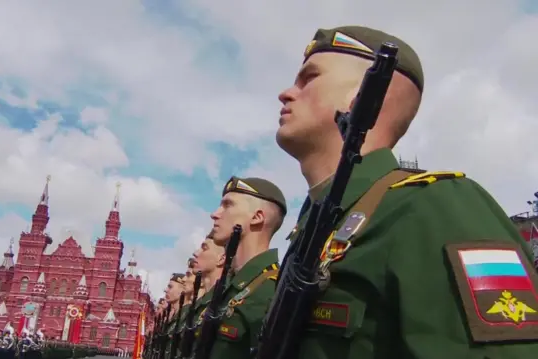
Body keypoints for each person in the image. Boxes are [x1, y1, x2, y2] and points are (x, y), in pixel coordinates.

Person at [274, 25, 538, 358]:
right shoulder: (312, 228)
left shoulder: (435, 207)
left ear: (364, 96)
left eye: (308, 78)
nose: (286, 93)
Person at [207, 176, 286, 359]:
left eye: (228, 205)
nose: (215, 214)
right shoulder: (232, 287)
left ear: (257, 217)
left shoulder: (271, 290)